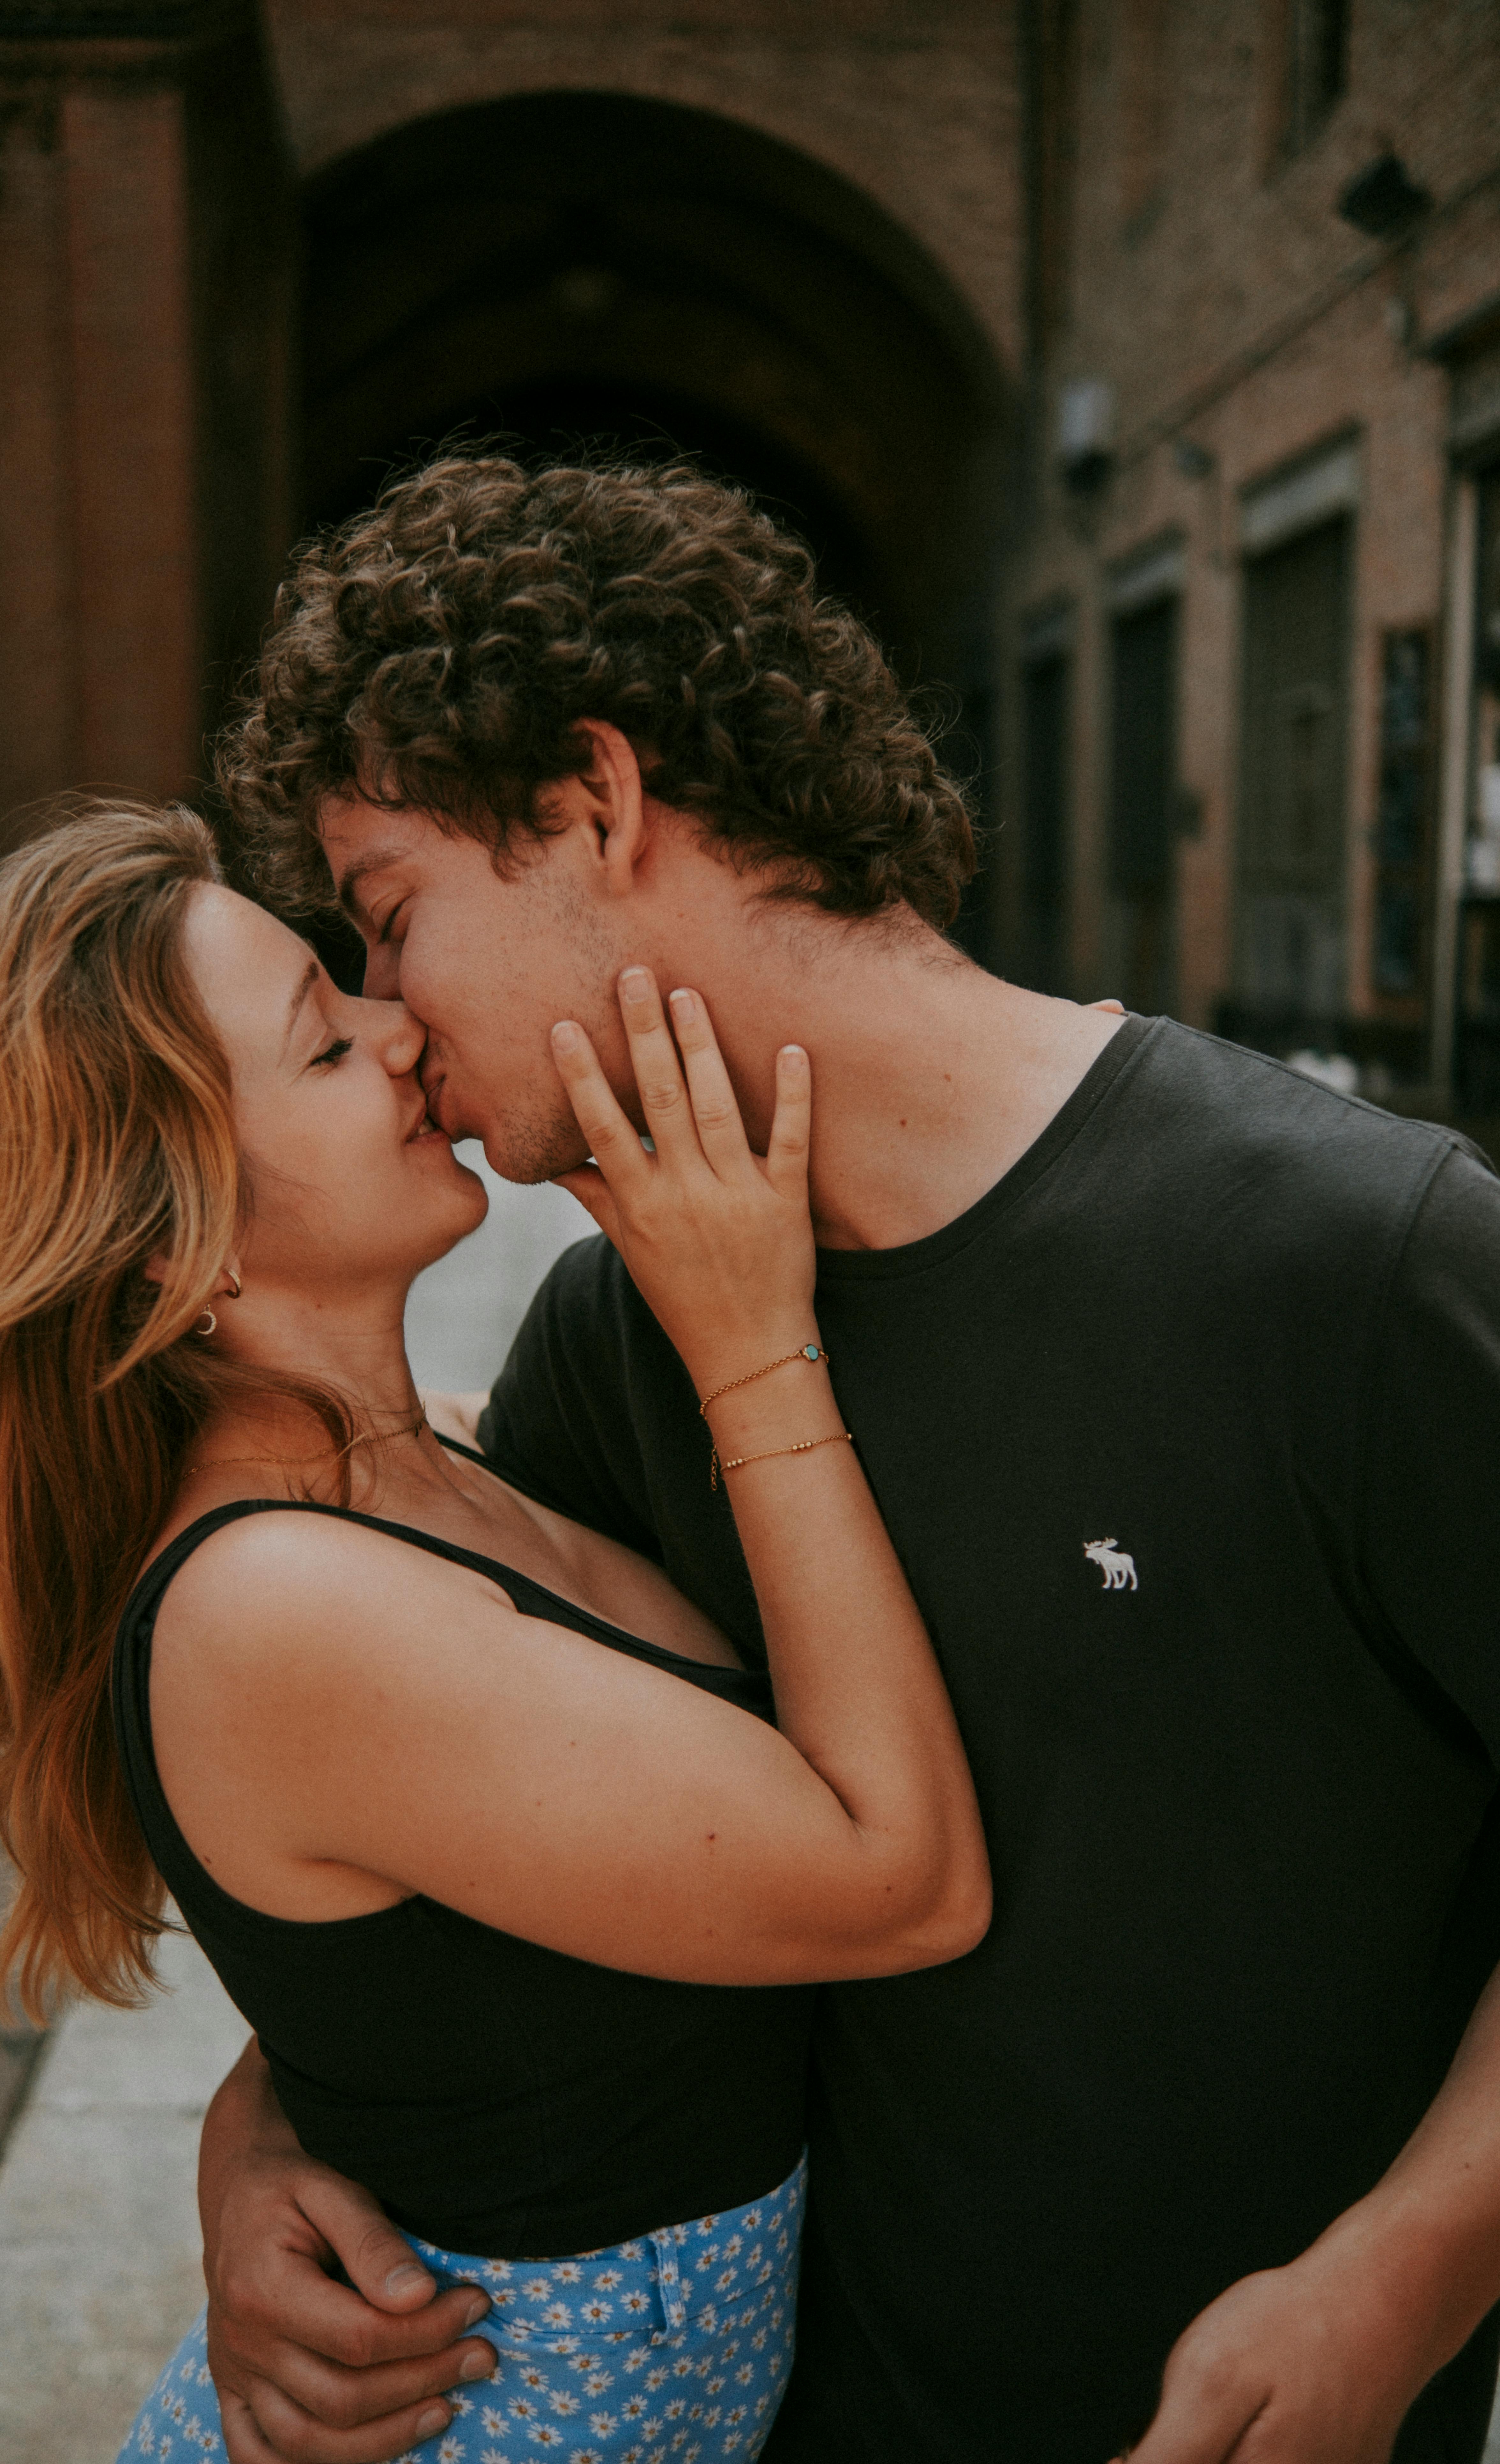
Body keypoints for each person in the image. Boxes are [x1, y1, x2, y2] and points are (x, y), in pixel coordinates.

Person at [196, 454, 1500, 2464]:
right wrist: (257, 2135)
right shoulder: (615, 1336)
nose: (388, 1020)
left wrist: (1410, 2273)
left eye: (388, 921)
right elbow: (493, 1869)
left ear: (595, 804)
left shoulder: (1358, 1253)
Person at [0, 803, 991, 2464]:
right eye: (323, 1046)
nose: (399, 1032)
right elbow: (903, 1883)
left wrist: (250, 2135)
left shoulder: (426, 1460)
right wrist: (754, 1348)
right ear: (180, 1241)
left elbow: (425, 1966)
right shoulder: (278, 1608)